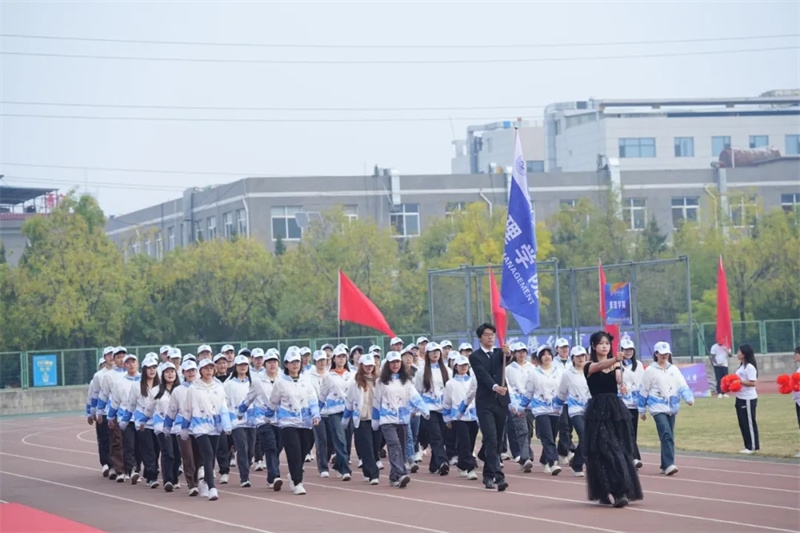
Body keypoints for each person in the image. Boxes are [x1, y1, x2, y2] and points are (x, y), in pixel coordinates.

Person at [584, 330, 643, 508]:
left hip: (615, 410)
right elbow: (598, 367)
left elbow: (618, 378)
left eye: (607, 344)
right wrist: (614, 359)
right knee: (603, 450)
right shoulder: (588, 365)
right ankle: (608, 490)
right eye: (601, 343)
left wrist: (622, 384)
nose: (605, 346)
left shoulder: (616, 365)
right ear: (593, 346)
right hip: (597, 412)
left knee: (619, 449)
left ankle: (621, 491)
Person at [265, 347, 321, 495]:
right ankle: (297, 482)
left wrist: (315, 415)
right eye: (292, 362)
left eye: (297, 362)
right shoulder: (280, 382)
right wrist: (268, 416)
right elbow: (273, 401)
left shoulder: (305, 381)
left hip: (305, 422)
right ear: (286, 364)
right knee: (293, 451)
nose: (295, 365)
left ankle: (294, 474)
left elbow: (312, 399)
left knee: (304, 450)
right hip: (287, 422)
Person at [372, 351, 429, 488]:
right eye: (392, 362)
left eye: (397, 362)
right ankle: (402, 472)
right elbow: (376, 402)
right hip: (387, 420)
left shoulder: (406, 381)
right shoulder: (381, 382)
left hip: (402, 420)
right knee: (394, 445)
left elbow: (414, 396)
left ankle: (394, 477)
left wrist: (424, 410)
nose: (395, 365)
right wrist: (375, 420)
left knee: (401, 449)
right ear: (388, 364)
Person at [639, 341, 694, 477]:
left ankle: (665, 464)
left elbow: (682, 385)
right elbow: (644, 389)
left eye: (666, 354)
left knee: (669, 435)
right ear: (656, 354)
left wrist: (688, 398)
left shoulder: (673, 369)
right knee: (666, 434)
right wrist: (642, 409)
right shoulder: (650, 370)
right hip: (657, 407)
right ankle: (669, 464)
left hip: (672, 407)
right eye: (661, 353)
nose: (664, 356)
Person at [468, 323, 510, 492]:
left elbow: (509, 360)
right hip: (485, 403)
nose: (490, 337)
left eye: (492, 334)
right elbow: (483, 375)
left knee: (497, 440)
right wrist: (495, 387)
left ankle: (487, 474)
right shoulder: (475, 356)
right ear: (480, 338)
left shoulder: (501, 353)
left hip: (501, 402)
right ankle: (499, 477)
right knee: (491, 438)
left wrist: (509, 353)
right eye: (486, 334)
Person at [183, 358, 232, 501]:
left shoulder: (218, 386)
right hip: (199, 426)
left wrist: (226, 424)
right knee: (208, 454)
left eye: (211, 368)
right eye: (206, 368)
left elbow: (223, 407)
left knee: (212, 456)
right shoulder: (194, 388)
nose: (209, 371)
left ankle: (205, 482)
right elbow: (188, 409)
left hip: (215, 427)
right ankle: (212, 487)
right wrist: (185, 427)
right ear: (200, 371)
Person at [343, 353, 381, 484]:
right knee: (367, 447)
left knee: (375, 447)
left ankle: (367, 470)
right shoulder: (355, 383)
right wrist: (345, 419)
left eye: (371, 365)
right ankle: (374, 474)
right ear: (361, 366)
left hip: (376, 419)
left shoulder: (379, 381)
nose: (369, 368)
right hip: (362, 419)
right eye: (366, 365)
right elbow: (349, 401)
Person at [556, 346, 591, 477]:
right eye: (578, 356)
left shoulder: (591, 371)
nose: (581, 358)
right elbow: (562, 392)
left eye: (583, 355)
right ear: (573, 358)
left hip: (590, 409)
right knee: (584, 435)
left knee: (588, 437)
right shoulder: (567, 374)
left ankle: (577, 464)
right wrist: (557, 406)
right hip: (575, 410)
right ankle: (590, 465)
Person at [443, 355, 478, 480]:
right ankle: (471, 468)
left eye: (465, 365)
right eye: (461, 365)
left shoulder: (473, 381)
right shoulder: (450, 384)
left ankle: (462, 465)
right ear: (455, 367)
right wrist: (447, 418)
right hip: (458, 418)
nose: (463, 367)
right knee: (465, 443)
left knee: (471, 443)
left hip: (473, 417)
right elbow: (447, 402)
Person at [619, 338, 644, 468]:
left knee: (633, 430)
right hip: (622, 403)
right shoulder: (618, 365)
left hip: (635, 403)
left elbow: (642, 382)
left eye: (630, 350)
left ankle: (627, 457)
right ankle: (634, 457)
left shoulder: (638, 365)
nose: (628, 352)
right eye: (625, 350)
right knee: (627, 430)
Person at [733, 344, 760, 454]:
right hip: (740, 397)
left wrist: (740, 382)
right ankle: (747, 445)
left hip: (748, 398)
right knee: (743, 423)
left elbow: (753, 383)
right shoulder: (741, 366)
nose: (737, 353)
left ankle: (753, 446)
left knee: (749, 423)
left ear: (744, 354)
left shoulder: (749, 367)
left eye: (739, 351)